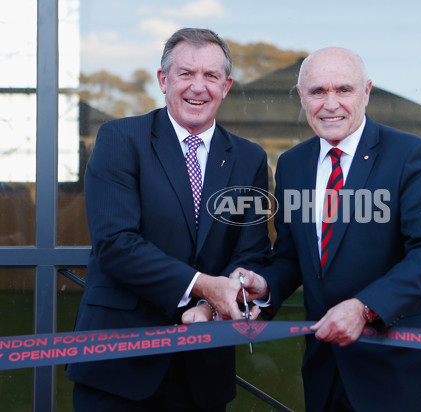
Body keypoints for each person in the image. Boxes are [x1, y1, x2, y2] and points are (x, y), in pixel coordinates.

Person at [66, 28, 271, 411]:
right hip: (120, 366)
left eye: (211, 76)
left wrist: (211, 306)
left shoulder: (250, 158)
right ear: (164, 80)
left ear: (225, 86)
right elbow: (116, 243)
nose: (199, 87)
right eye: (186, 74)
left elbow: (253, 251)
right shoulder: (120, 139)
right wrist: (205, 287)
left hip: (204, 371)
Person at [238, 47, 421, 411]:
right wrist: (265, 286)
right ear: (302, 96)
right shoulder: (292, 165)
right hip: (324, 369)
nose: (330, 103)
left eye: (344, 90)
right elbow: (291, 256)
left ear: (366, 92)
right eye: (318, 91)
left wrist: (364, 308)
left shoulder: (411, 155)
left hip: (392, 369)